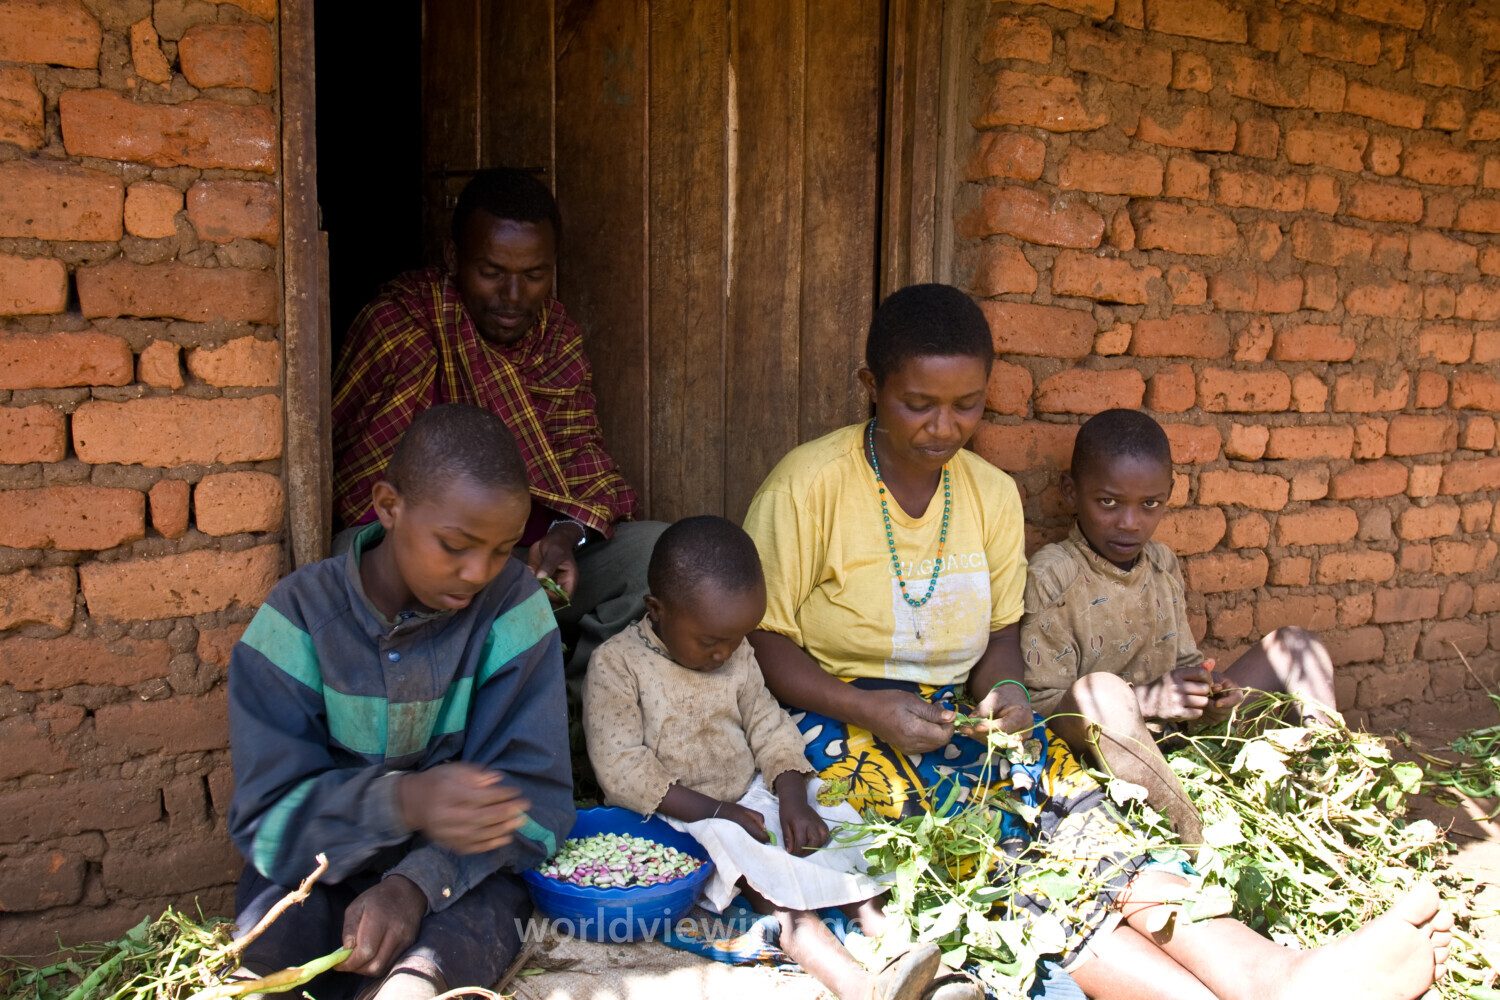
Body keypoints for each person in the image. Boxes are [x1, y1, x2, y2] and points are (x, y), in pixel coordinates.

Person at [740, 284, 1452, 1000]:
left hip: (954, 712)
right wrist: (867, 710)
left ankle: (1268, 972)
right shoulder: (807, 487)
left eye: (968, 405)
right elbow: (765, 647)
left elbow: (1000, 638)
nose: (943, 426)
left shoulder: (988, 493)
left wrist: (1010, 693)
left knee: (1082, 816)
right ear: (872, 385)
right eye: (917, 403)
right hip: (837, 720)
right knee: (992, 858)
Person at [226, 404, 576, 1000]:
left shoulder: (515, 609)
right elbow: (267, 823)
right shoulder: (297, 623)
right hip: (317, 866)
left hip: (460, 876)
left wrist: (413, 885)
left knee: (430, 972)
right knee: (269, 956)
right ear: (388, 507)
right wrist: (405, 800)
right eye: (455, 545)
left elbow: (537, 801)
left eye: (502, 549)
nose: (478, 572)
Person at [583, 515, 965, 1000]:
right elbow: (623, 770)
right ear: (656, 609)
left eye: (737, 638)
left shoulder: (736, 652)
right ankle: (859, 987)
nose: (726, 653)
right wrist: (720, 812)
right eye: (709, 642)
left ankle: (904, 953)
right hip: (675, 816)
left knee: (835, 830)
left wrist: (792, 798)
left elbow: (768, 723)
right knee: (776, 891)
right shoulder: (618, 664)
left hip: (747, 795)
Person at [330, 167, 664, 681]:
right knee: (347, 561)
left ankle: (577, 709)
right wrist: (459, 555)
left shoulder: (556, 340)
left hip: (535, 565)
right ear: (452, 257)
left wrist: (566, 536)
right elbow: (354, 489)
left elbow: (585, 468)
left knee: (654, 553)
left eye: (534, 275)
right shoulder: (400, 328)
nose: (513, 294)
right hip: (434, 565)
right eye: (491, 271)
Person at [1020, 408, 1339, 849]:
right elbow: (1042, 715)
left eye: (1150, 504)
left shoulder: (1163, 564)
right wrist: (1147, 702)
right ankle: (1197, 844)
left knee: (1296, 645)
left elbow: (1186, 662)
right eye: (1108, 502)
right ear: (1071, 492)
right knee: (1106, 694)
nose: (1131, 522)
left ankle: (1334, 800)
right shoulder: (1053, 575)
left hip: (1184, 746)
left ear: (1169, 496)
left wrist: (1208, 694)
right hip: (1104, 762)